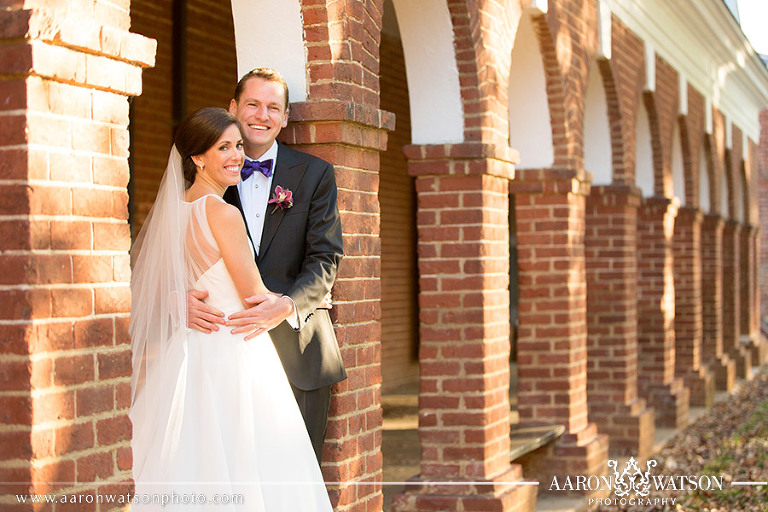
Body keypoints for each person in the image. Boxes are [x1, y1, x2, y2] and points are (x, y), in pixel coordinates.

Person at [129, 107, 333, 511]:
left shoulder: (175, 212)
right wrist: (298, 300)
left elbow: (158, 280)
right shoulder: (223, 213)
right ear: (196, 158)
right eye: (223, 147)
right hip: (236, 349)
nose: (237, 155)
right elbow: (253, 296)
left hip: (188, 352)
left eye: (239, 145)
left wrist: (174, 298)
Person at [186, 68, 346, 462]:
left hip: (300, 350)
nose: (262, 115)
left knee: (295, 480)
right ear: (233, 108)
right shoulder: (203, 175)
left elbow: (326, 257)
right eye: (253, 104)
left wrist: (288, 304)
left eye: (273, 107)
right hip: (223, 351)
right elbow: (161, 253)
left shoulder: (315, 174)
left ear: (286, 116)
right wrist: (175, 296)